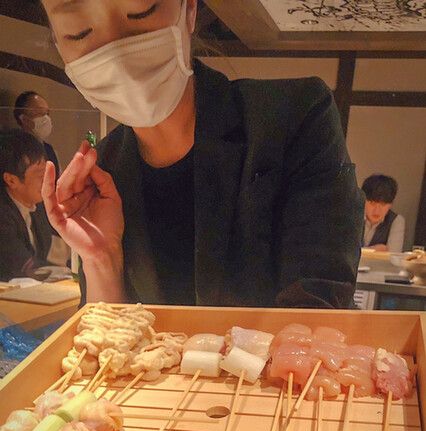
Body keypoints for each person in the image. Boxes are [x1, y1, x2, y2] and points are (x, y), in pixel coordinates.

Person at [40, 0, 364, 308]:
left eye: (141, 11)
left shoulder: (296, 114)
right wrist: (101, 258)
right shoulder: (100, 172)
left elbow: (317, 307)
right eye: (78, 32)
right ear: (57, 41)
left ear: (190, 9)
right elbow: (107, 338)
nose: (115, 54)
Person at [0, 130, 54, 281]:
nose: (47, 180)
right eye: (40, 175)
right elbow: (22, 265)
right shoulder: (3, 214)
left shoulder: (38, 206)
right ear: (11, 180)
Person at [14, 91, 60, 179]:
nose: (46, 118)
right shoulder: (13, 150)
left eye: (47, 114)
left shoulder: (51, 151)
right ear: (24, 119)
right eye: (40, 113)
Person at [361, 174, 405, 253]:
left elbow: (393, 254)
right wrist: (374, 250)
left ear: (391, 203)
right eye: (372, 203)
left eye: (383, 204)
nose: (377, 210)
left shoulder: (396, 220)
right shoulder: (352, 216)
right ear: (363, 200)